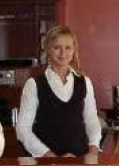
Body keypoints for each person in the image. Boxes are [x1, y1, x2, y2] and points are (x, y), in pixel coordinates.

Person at [16, 25, 101, 157]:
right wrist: (52, 157)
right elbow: (23, 130)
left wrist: (93, 152)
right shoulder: (34, 85)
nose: (63, 53)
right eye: (57, 48)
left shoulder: (85, 82)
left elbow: (92, 121)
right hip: (47, 163)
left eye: (68, 48)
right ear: (48, 50)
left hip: (81, 161)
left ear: (74, 50)